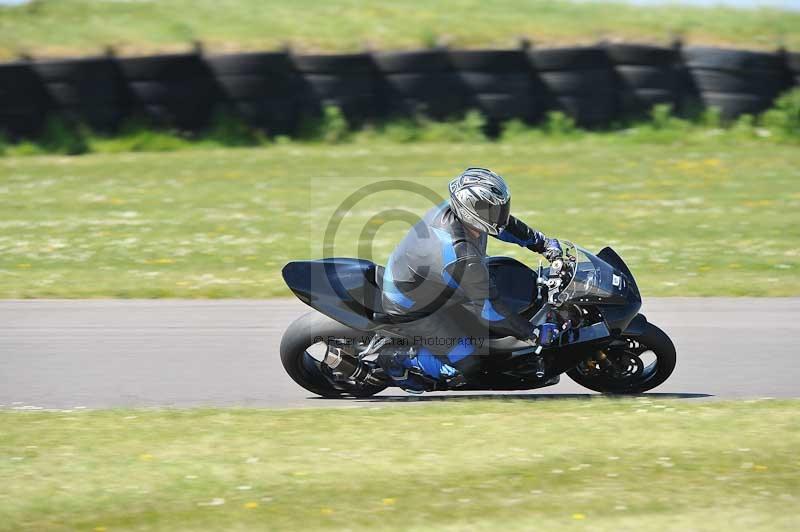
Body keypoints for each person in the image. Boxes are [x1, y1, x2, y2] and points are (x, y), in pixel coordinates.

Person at [378, 167, 563, 391]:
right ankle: (397, 358)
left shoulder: (470, 218)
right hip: (414, 305)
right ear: (470, 210)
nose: (500, 214)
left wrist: (542, 243)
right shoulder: (460, 252)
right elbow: (489, 310)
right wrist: (532, 332)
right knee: (470, 363)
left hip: (435, 282)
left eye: (500, 207)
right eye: (492, 209)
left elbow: (505, 227)